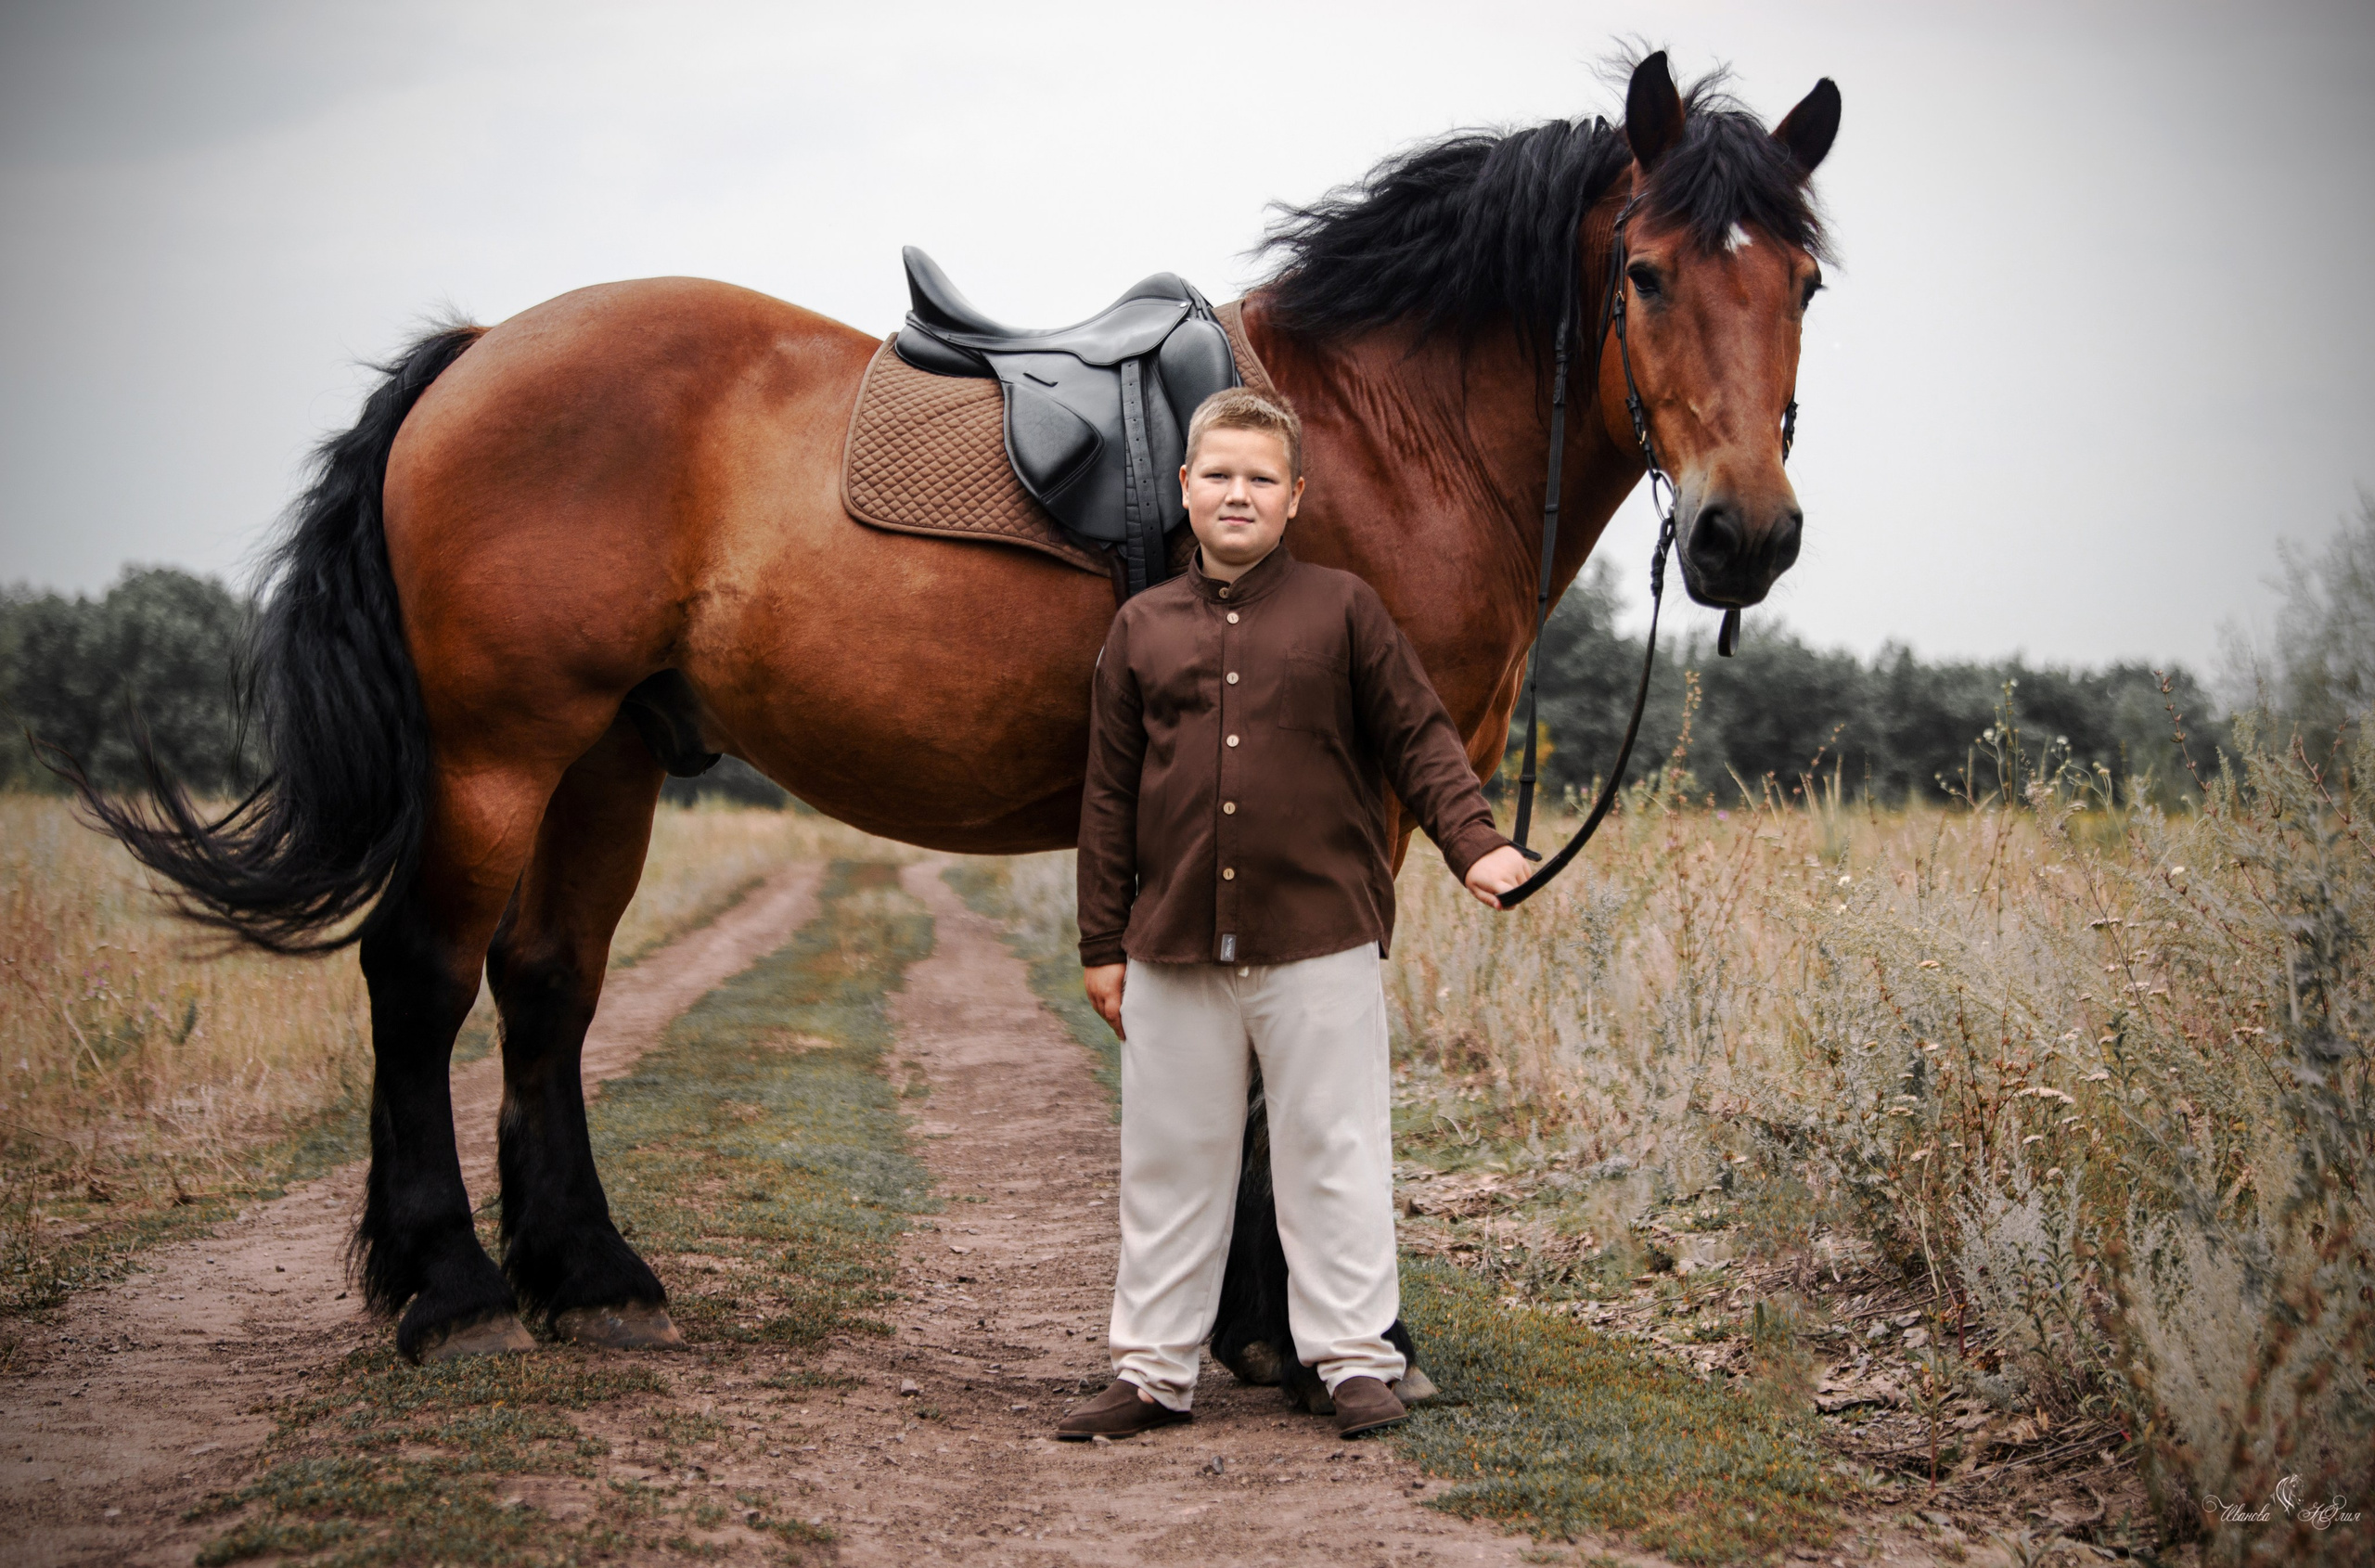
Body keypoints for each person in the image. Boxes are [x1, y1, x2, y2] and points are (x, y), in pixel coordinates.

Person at [1056, 387, 1532, 1443]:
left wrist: (1478, 844)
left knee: (1333, 1148)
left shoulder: (1346, 611)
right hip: (1174, 942)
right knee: (1171, 1160)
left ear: (1295, 498)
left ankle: (1356, 1361)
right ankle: (1151, 1372)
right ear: (1184, 489)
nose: (1238, 492)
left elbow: (1421, 741)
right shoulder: (1140, 629)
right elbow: (1107, 797)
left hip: (1319, 936)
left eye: (1260, 478)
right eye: (1218, 474)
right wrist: (1100, 944)